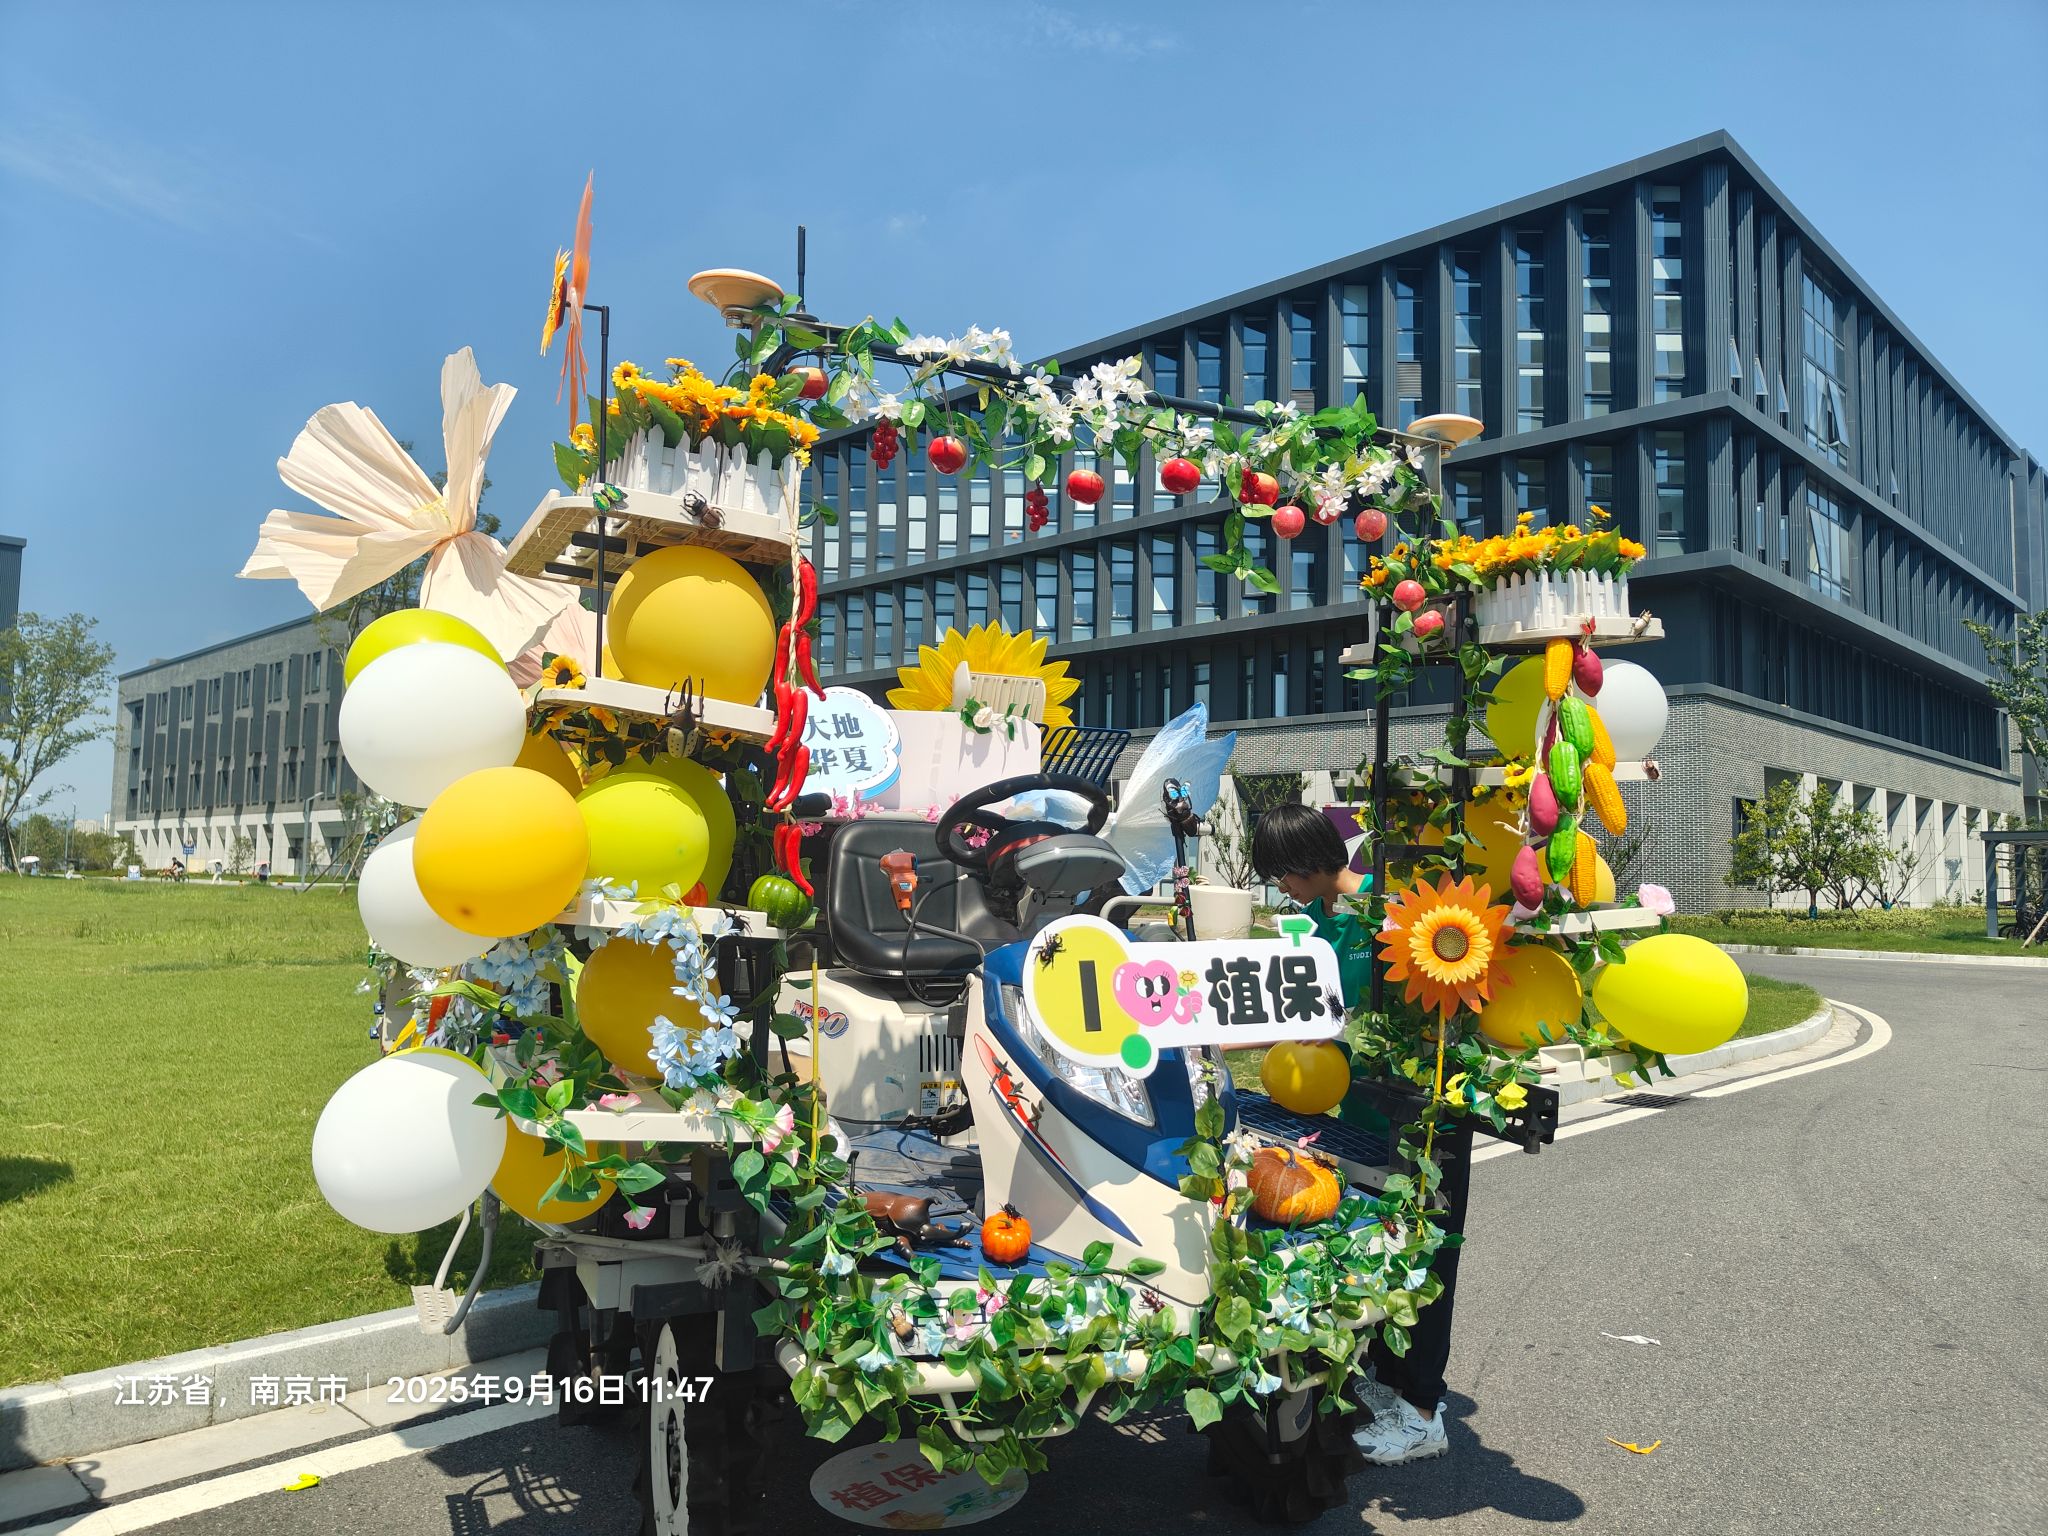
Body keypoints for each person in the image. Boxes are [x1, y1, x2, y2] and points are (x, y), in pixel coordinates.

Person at [1250, 799, 1461, 1467]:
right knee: (1379, 1241)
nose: (1280, 887)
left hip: (1421, 1107)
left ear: (1308, 861)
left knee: (1429, 1252)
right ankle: (1388, 1379)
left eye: (1282, 873)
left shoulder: (1392, 908)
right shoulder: (1315, 923)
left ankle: (1424, 1410)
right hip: (1358, 1107)